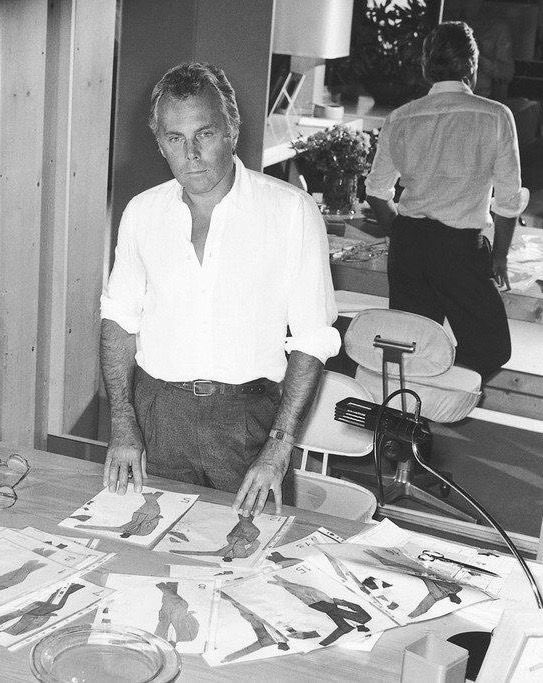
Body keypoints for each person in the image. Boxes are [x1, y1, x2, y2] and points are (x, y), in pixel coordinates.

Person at [100, 62, 340, 515]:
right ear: (159, 143)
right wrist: (122, 421)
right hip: (157, 418)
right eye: (175, 138)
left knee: (250, 551)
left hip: (247, 423)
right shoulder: (142, 212)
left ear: (232, 130)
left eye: (205, 134)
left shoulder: (290, 211)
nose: (191, 154)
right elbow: (119, 320)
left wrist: (279, 445)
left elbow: (312, 339)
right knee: (144, 546)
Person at [365, 21, 529, 381]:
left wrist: (402, 233)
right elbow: (507, 201)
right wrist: (499, 256)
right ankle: (447, 395)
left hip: (409, 247)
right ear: (473, 66)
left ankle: (424, 403)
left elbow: (376, 191)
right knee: (491, 348)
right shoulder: (495, 115)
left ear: (427, 67)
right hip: (458, 249)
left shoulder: (400, 117)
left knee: (411, 350)